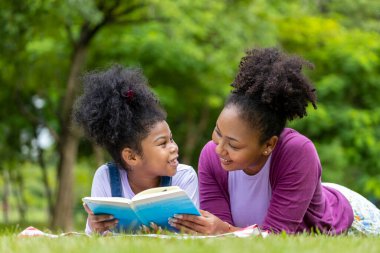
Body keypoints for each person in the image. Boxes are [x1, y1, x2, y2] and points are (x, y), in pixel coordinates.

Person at [168, 47, 380, 235]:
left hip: (352, 222)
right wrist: (216, 229)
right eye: (217, 132)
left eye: (233, 144)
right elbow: (219, 233)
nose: (219, 149)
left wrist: (225, 230)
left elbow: (276, 237)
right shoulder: (211, 156)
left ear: (268, 145)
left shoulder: (297, 152)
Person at [73, 65, 199, 235]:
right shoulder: (106, 177)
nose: (174, 147)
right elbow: (94, 240)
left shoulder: (184, 177)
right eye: (163, 144)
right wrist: (95, 228)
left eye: (172, 139)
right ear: (131, 156)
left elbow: (191, 236)